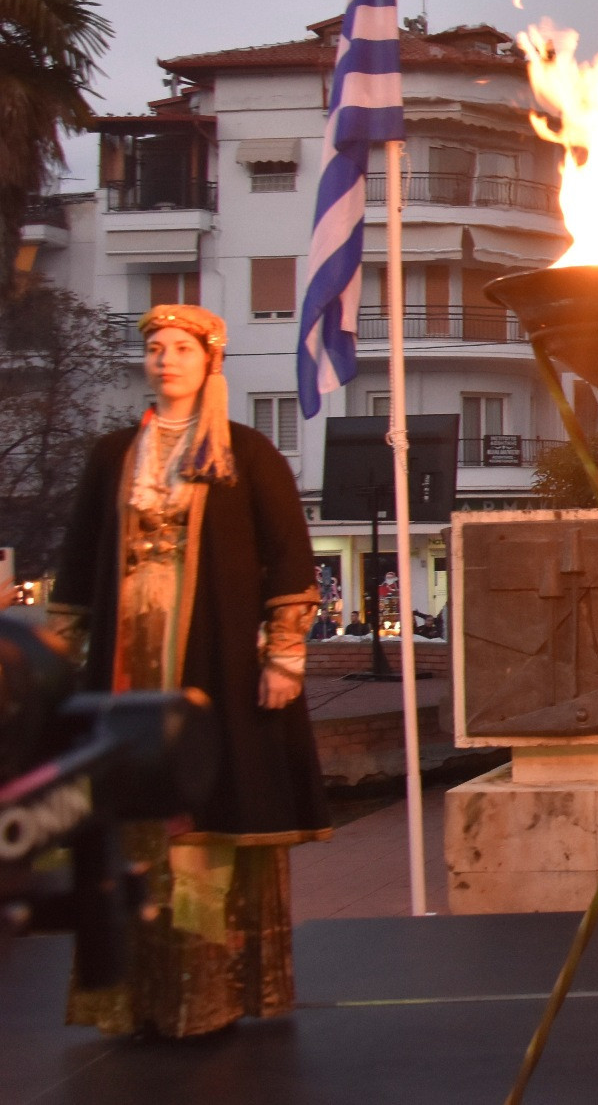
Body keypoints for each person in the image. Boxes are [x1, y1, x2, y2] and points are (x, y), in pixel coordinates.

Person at [46, 305, 330, 1038]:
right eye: (156, 348)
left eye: (180, 348)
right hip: (125, 667)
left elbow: (291, 559)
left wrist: (284, 656)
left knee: (207, 824)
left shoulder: (244, 451)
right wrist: (56, 659)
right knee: (129, 823)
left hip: (213, 665)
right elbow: (78, 565)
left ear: (209, 361)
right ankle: (133, 995)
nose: (166, 359)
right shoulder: (115, 455)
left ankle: (210, 992)